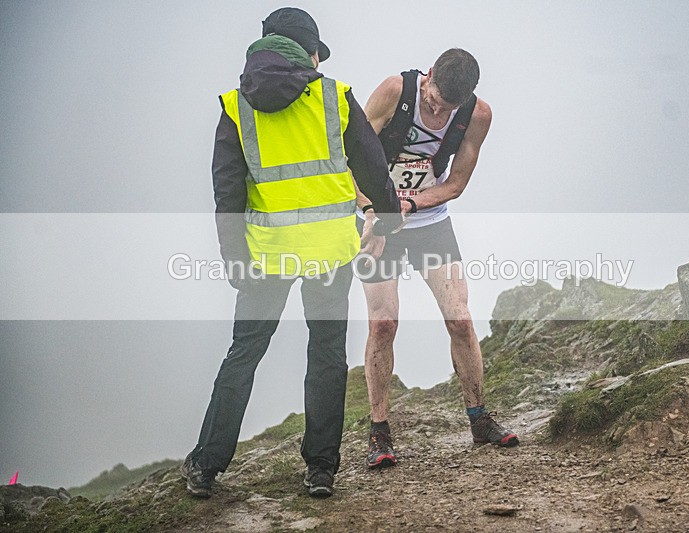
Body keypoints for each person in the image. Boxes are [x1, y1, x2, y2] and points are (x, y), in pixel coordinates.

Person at [181, 7, 401, 498]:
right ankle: (321, 469)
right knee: (326, 354)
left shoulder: (236, 106)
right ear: (310, 51)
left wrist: (234, 258)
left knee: (244, 352)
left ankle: (206, 465)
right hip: (329, 251)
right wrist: (384, 220)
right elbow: (371, 166)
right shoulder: (334, 96)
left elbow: (228, 195)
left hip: (267, 253)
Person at [355, 48, 519, 469]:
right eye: (431, 99)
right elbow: (349, 161)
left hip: (429, 221)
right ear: (428, 76)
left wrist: (407, 206)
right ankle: (379, 433)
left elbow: (457, 183)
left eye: (444, 108)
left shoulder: (478, 116)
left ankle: (479, 418)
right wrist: (375, 210)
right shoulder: (395, 91)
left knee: (460, 320)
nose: (434, 108)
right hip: (375, 219)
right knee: (384, 323)